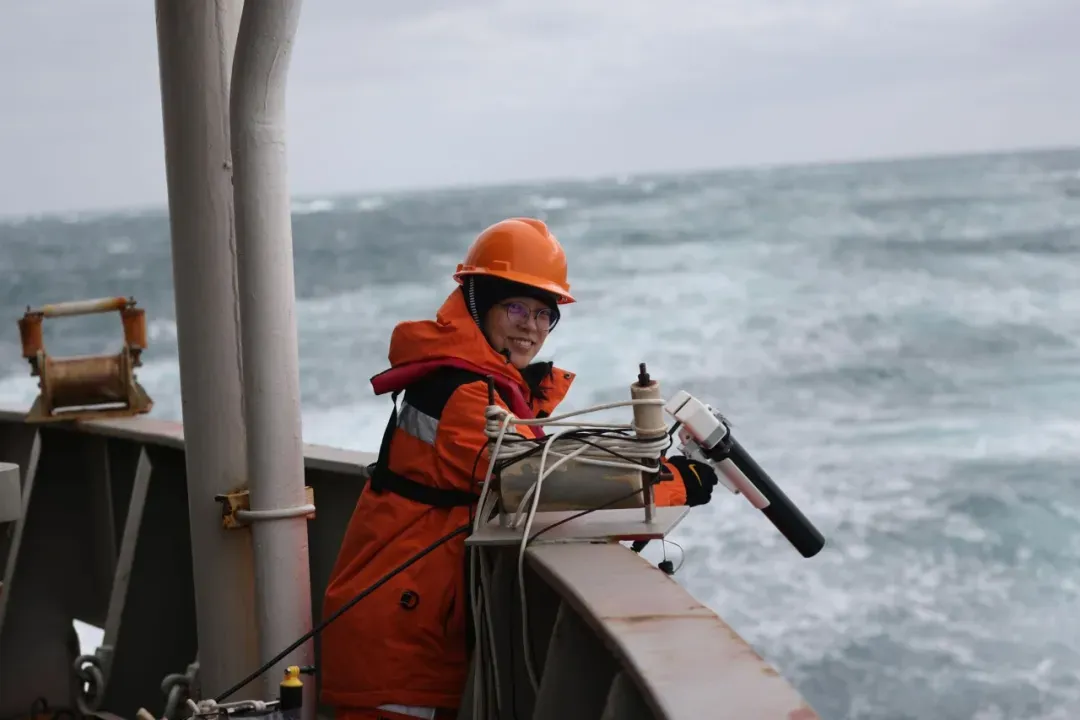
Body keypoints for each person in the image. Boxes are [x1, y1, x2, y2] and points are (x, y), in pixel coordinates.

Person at [320, 217, 719, 720]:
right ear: (477, 303)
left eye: (543, 314)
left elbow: (529, 471)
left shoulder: (476, 381)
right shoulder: (467, 394)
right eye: (515, 308)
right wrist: (669, 483)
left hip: (410, 619)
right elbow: (534, 488)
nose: (530, 326)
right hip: (401, 637)